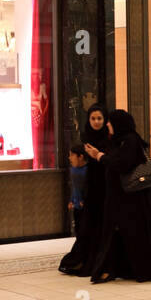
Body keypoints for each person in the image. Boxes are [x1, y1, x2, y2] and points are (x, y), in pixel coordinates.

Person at [83, 109, 151, 283]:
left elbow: (122, 164)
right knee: (120, 233)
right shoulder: (118, 141)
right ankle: (122, 268)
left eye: (110, 121)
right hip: (122, 198)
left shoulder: (130, 141)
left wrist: (99, 156)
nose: (107, 124)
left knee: (136, 233)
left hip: (134, 199)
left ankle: (145, 270)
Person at [58, 106, 110, 276]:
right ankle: (83, 260)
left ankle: (102, 262)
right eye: (93, 118)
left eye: (99, 119)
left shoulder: (109, 139)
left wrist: (98, 155)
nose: (96, 122)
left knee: (102, 226)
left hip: (106, 187)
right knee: (88, 226)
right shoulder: (85, 138)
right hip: (90, 188)